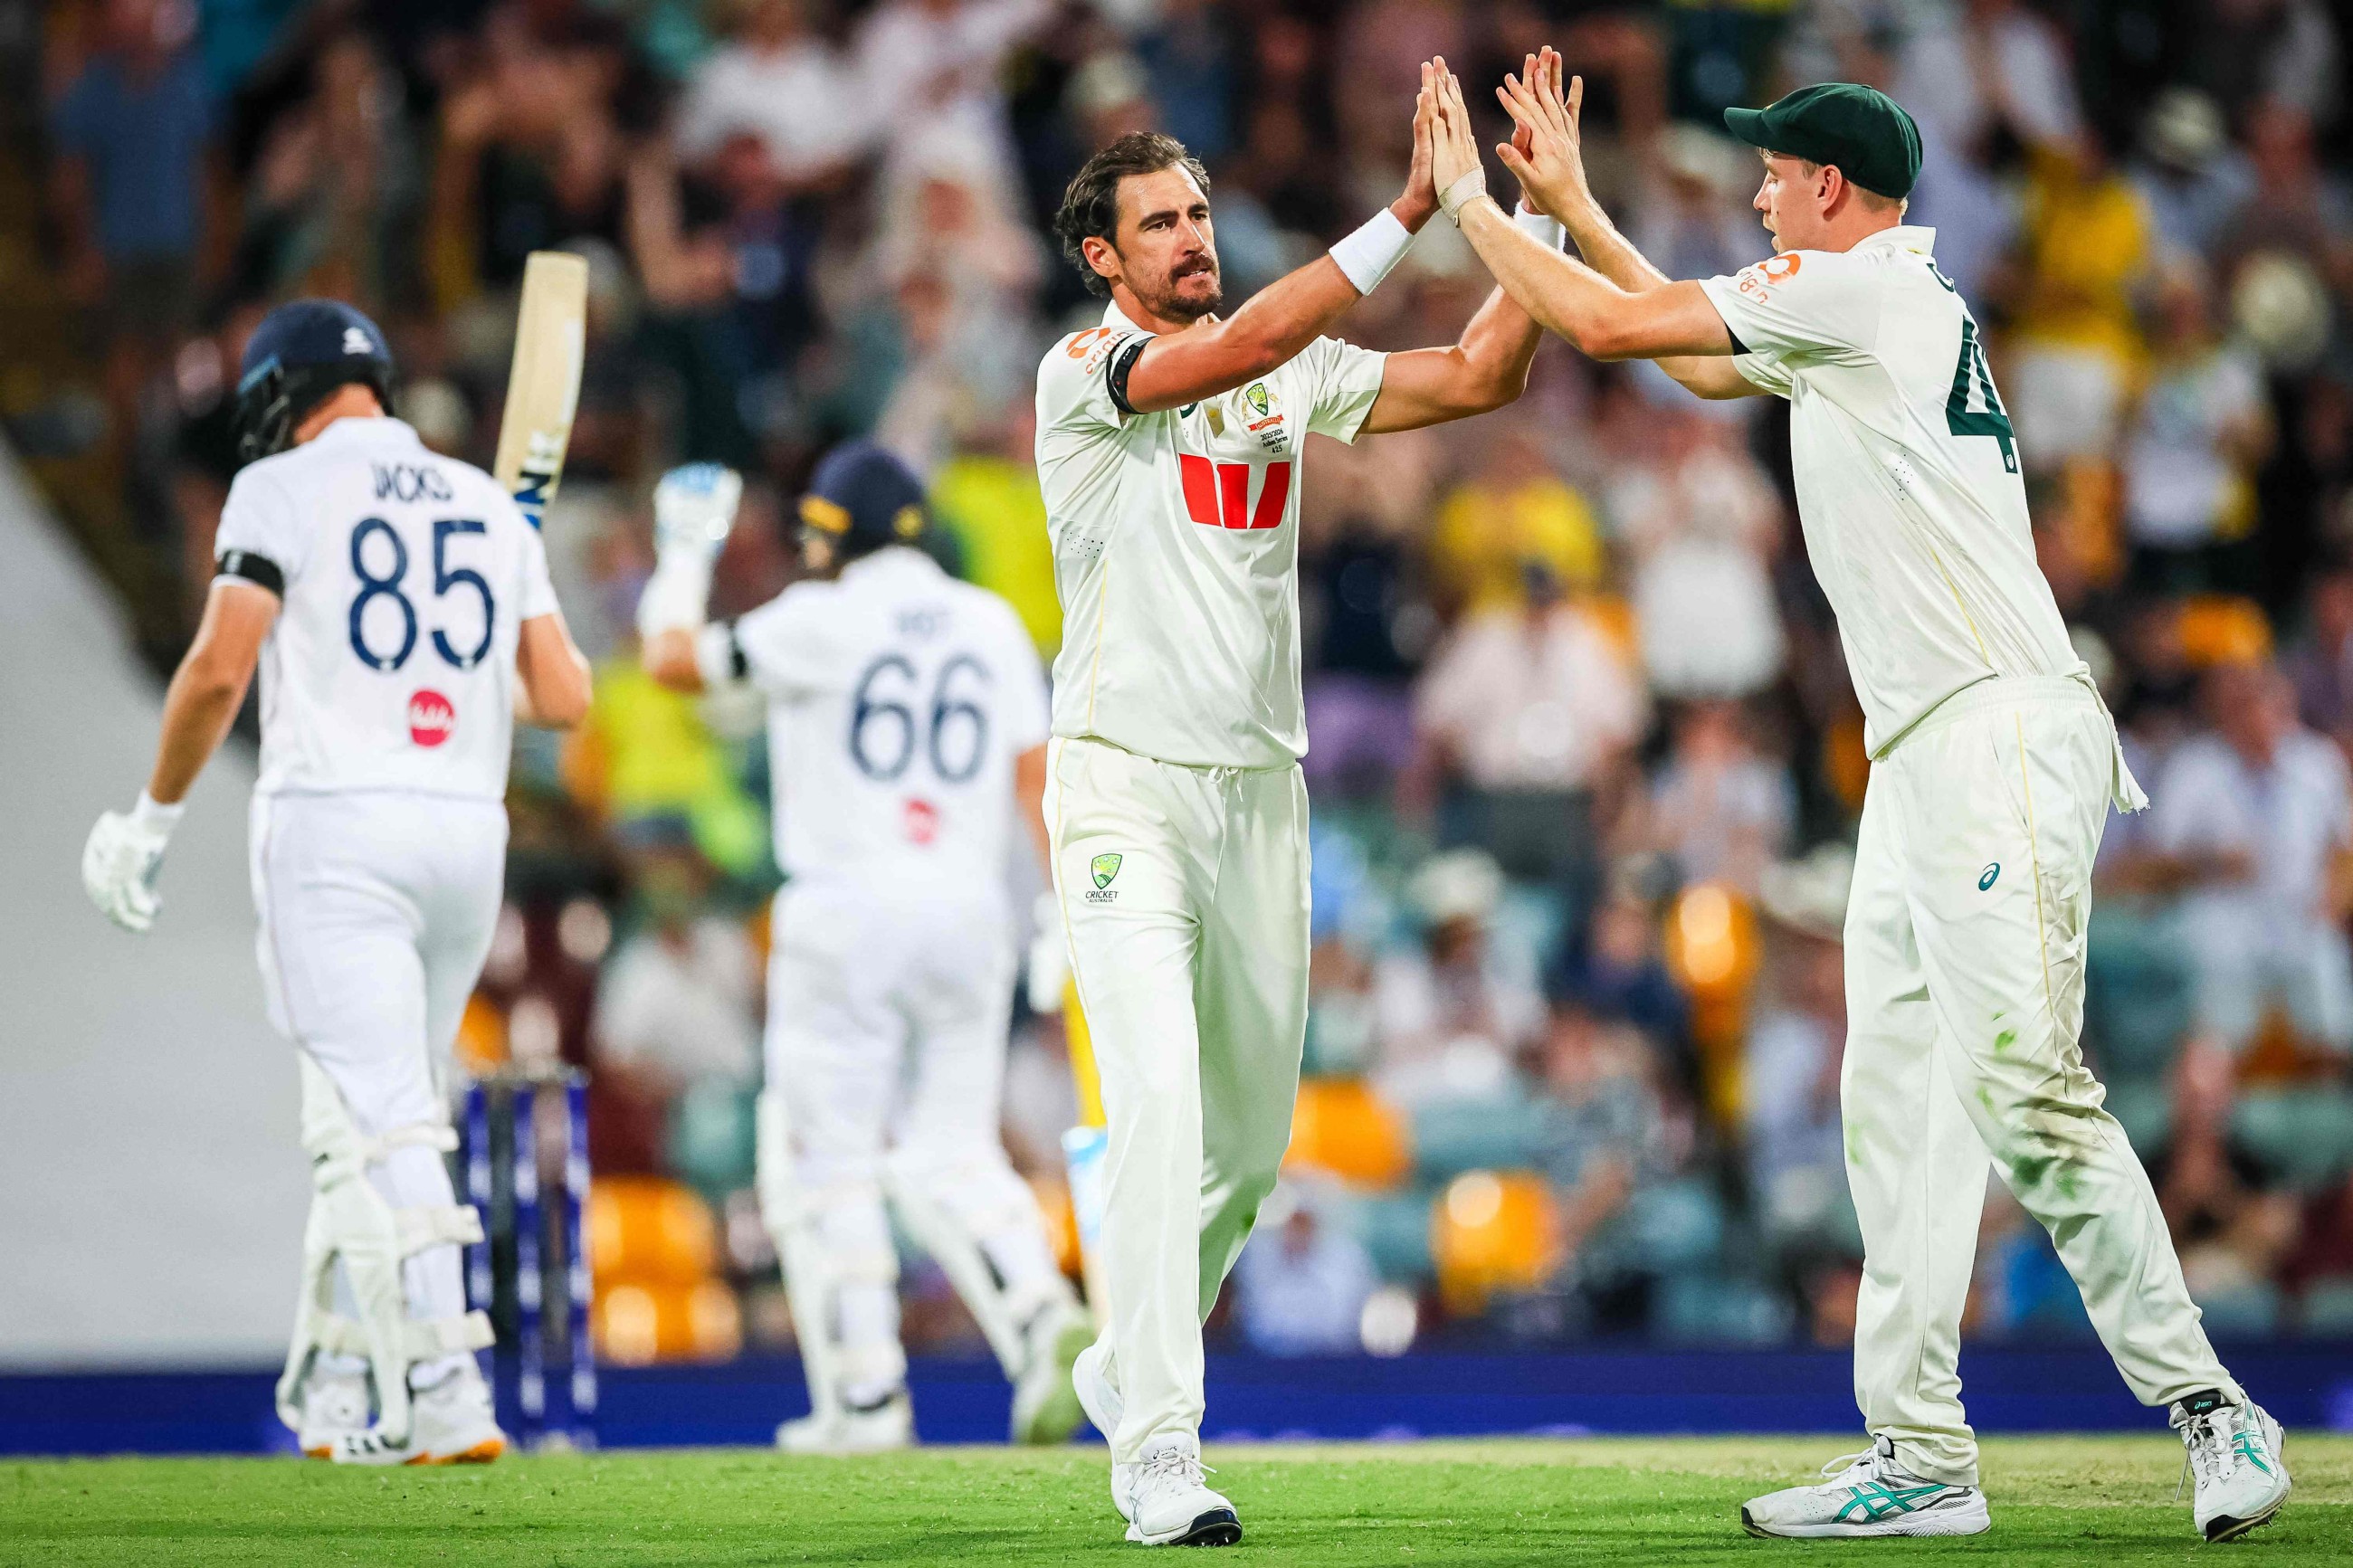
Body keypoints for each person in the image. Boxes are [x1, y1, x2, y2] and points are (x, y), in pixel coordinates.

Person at [1423, 52, 2291, 1543]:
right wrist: (1562, 197)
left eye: (1772, 169)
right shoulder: (1863, 307)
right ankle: (1920, 1453)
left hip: (1995, 734)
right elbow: (1695, 358)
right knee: (1894, 1107)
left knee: (2024, 1086)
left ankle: (2217, 1407)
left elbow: (1625, 325)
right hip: (1923, 752)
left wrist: (1463, 203)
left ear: (1830, 188)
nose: (1756, 186)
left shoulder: (1869, 295)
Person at [1034, 52, 1560, 1544]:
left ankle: (1128, 1351)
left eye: (1200, 213)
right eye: (1162, 225)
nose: (1195, 238)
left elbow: (1479, 373)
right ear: (1102, 257)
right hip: (1124, 786)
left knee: (1249, 1155)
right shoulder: (1086, 378)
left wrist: (1534, 217)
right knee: (1152, 1109)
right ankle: (1158, 1450)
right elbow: (1240, 344)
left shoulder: (1284, 364)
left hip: (1263, 798)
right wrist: (1409, 211)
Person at [80, 300, 594, 1465]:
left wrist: (148, 819)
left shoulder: (279, 488)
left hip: (336, 832)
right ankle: (334, 1378)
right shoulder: (482, 501)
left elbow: (219, 669)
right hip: (465, 839)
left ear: (276, 396)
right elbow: (563, 697)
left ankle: (450, 1385)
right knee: (359, 1108)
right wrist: (453, 680)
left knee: (386, 1109)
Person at [635, 447, 1091, 1454]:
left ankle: (865, 1398)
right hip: (970, 907)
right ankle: (1037, 1310)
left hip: (845, 907)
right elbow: (1037, 779)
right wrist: (1063, 915)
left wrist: (680, 552)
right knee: (951, 1148)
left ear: (838, 534)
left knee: (821, 1161)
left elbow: (674, 661)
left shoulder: (817, 617)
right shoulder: (989, 621)